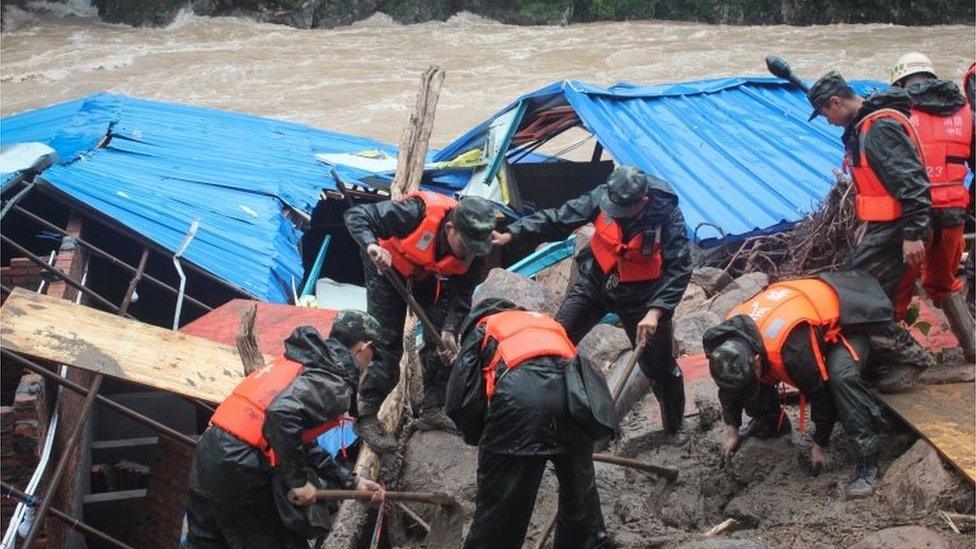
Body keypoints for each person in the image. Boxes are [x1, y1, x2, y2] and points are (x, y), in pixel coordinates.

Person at [493, 165, 692, 438]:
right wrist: (516, 232)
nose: (615, 215)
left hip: (644, 297)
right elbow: (562, 216)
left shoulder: (667, 215)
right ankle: (540, 417)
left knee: (661, 369)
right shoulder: (605, 196)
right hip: (597, 281)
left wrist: (655, 312)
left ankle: (673, 430)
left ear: (642, 202)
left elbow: (680, 267)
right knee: (556, 341)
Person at [186, 312, 385, 548]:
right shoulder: (334, 381)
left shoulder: (300, 361)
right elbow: (281, 416)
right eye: (371, 359)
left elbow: (295, 438)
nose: (367, 367)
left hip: (210, 451)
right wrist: (298, 481)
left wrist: (351, 481)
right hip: (240, 464)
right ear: (365, 347)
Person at [703, 270, 893, 499]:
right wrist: (732, 429)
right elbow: (730, 388)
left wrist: (819, 444)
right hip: (800, 322)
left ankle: (867, 460)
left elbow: (820, 395)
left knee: (841, 378)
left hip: (849, 321)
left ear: (756, 361)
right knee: (747, 383)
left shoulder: (792, 351)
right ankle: (772, 423)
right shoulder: (727, 342)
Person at [446, 298, 616, 549]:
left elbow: (462, 399)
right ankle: (588, 541)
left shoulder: (484, 327)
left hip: (520, 401)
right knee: (581, 496)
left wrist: (481, 437)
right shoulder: (547, 323)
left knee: (500, 508)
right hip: (575, 401)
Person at [806, 71, 934, 372]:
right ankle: (886, 360)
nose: (828, 122)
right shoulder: (866, 125)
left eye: (826, 115)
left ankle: (911, 360)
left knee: (857, 293)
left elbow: (913, 183)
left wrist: (913, 234)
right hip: (885, 227)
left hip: (898, 229)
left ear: (836, 102)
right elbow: (880, 185)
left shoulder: (878, 129)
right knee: (871, 295)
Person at [344, 191, 496, 445]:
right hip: (386, 264)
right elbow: (357, 215)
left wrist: (449, 329)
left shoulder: (476, 251)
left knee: (442, 345)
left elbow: (462, 295)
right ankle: (367, 415)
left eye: (475, 250)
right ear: (450, 229)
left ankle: (434, 408)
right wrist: (371, 245)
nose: (469, 254)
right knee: (387, 342)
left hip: (427, 273)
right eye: (465, 246)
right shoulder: (414, 213)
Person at [889, 53, 974, 360]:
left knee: (897, 284)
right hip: (953, 211)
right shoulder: (965, 111)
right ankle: (973, 347)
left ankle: (893, 356)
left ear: (900, 81)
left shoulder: (895, 110)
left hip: (913, 213)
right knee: (944, 284)